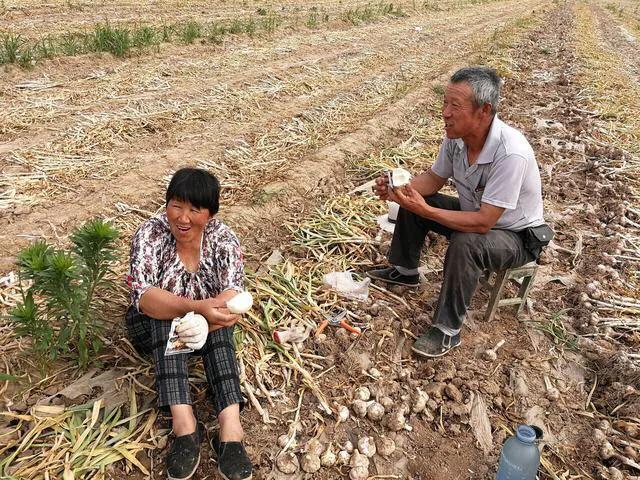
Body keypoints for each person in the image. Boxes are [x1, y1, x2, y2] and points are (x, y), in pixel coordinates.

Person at [368, 66, 549, 358]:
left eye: (455, 106)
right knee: (417, 198)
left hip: (514, 236)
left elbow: (482, 223)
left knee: (466, 242)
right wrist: (397, 190)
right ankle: (405, 271)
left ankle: (447, 329)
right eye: (444, 103)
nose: (445, 113)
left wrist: (424, 208)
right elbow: (432, 180)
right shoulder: (456, 138)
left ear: (484, 110)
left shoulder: (510, 152)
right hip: (477, 216)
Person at [125, 167, 252, 480]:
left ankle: (230, 429)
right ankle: (185, 425)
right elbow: (143, 297)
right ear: (167, 204)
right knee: (163, 311)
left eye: (194, 209)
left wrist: (212, 313)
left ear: (209, 214)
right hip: (151, 329)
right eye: (176, 206)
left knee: (222, 324)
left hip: (207, 331)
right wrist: (196, 308)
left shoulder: (223, 239)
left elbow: (233, 292)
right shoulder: (151, 234)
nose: (183, 218)